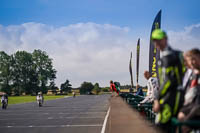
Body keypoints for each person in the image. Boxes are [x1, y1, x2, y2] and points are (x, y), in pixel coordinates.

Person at [151, 29, 185, 132]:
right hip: (176, 97)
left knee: (160, 126)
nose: (157, 43)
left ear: (165, 39)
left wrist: (157, 98)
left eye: (159, 40)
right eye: (155, 41)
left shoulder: (168, 57)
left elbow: (168, 82)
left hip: (170, 99)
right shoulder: (176, 54)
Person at [177, 48, 200, 133]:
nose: (192, 62)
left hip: (196, 110)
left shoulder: (195, 74)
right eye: (191, 60)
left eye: (194, 59)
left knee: (181, 127)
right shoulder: (194, 74)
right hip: (193, 106)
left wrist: (187, 118)